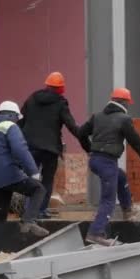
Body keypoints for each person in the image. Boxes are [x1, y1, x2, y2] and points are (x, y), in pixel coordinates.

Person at [79, 88, 140, 246]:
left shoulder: (97, 116)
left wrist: (89, 149)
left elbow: (81, 133)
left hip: (96, 160)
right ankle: (95, 233)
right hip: (107, 162)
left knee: (121, 177)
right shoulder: (124, 119)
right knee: (108, 200)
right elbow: (134, 139)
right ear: (124, 102)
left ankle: (127, 210)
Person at [0, 101, 49, 237]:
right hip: (10, 176)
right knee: (38, 189)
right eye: (17, 118)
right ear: (13, 115)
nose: (18, 122)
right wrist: (33, 171)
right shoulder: (10, 126)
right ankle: (28, 221)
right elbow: (20, 149)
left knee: (0, 216)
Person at [19, 72, 89, 219]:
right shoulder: (60, 103)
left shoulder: (32, 98)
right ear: (61, 88)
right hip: (50, 149)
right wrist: (88, 145)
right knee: (47, 179)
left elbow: (21, 121)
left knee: (30, 178)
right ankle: (41, 210)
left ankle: (29, 211)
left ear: (46, 85)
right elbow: (72, 126)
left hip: (30, 147)